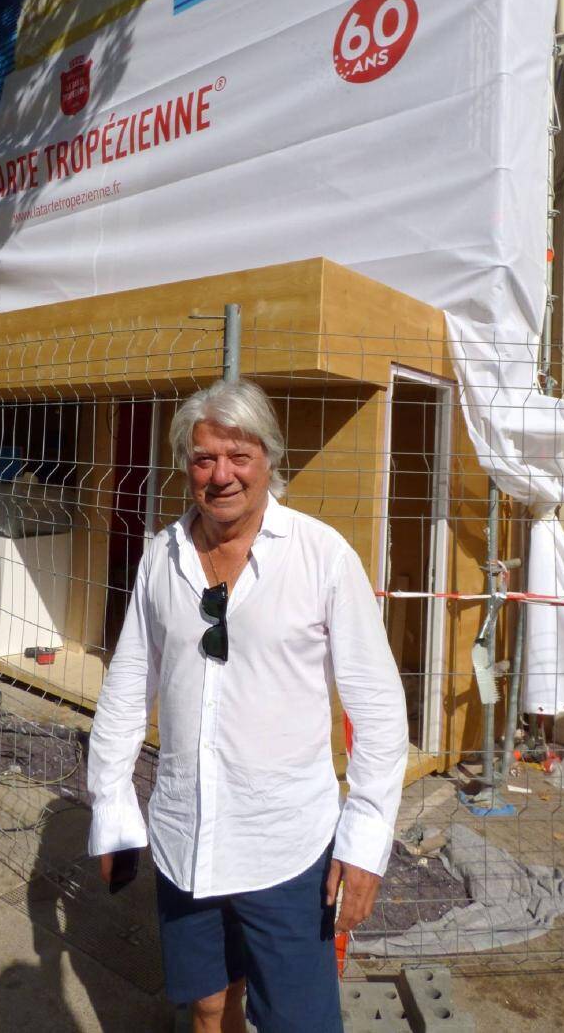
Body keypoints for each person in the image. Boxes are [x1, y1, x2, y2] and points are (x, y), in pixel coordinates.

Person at [87, 379, 408, 1033]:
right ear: (185, 466)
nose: (221, 474)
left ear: (269, 459)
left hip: (284, 848)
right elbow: (126, 686)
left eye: (240, 455)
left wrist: (366, 840)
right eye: (204, 458)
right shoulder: (161, 559)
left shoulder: (321, 557)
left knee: (298, 1022)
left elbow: (376, 706)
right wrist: (112, 806)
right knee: (206, 1004)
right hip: (185, 838)